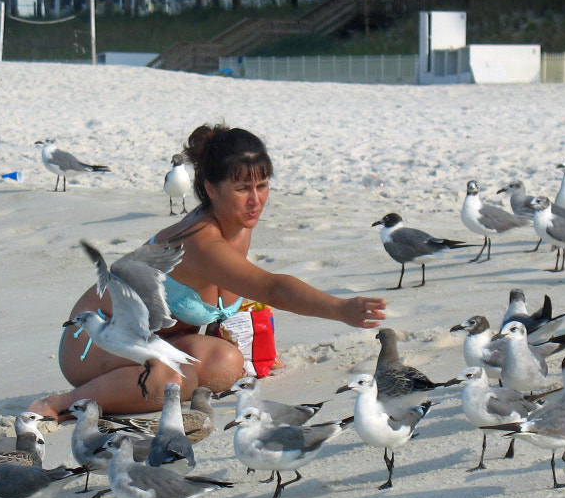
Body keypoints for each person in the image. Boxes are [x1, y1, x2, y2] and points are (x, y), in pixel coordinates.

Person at [29, 124, 386, 419]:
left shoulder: (240, 224)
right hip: (92, 342)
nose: (255, 200)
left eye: (262, 186)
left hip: (156, 341)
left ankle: (137, 382)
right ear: (211, 189)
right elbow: (271, 288)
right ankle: (61, 404)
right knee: (170, 381)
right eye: (243, 188)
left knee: (226, 365)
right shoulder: (200, 242)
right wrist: (339, 309)